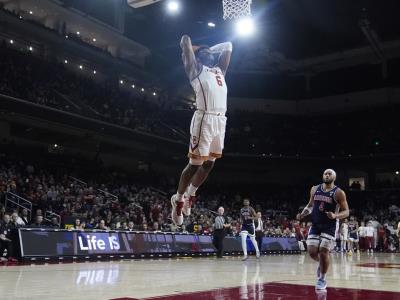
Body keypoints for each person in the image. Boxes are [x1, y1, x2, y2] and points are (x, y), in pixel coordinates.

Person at [170, 34, 233, 225]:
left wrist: (209, 49)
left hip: (220, 121)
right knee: (194, 165)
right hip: (204, 119)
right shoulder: (195, 68)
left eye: (211, 52)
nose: (210, 54)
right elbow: (185, 39)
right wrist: (196, 49)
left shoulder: (219, 71)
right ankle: (179, 199)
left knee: (209, 164)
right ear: (198, 57)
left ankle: (191, 194)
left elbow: (228, 45)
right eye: (205, 52)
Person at [297, 169, 349, 290]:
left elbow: (346, 211)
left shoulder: (338, 192)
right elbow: (310, 205)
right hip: (315, 224)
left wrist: (336, 216)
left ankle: (322, 279)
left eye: (329, 174)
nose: (327, 175)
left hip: (329, 225)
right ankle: (322, 264)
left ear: (334, 177)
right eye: (325, 173)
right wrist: (303, 213)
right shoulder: (314, 189)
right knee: (311, 251)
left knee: (324, 250)